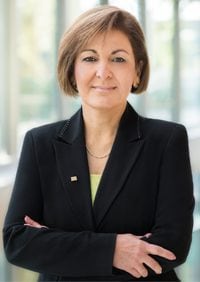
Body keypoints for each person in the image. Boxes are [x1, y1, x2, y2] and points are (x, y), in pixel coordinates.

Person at [3, 5, 194, 282]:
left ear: (137, 71)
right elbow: (17, 241)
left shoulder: (166, 140)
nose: (103, 72)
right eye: (90, 58)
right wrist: (114, 250)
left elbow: (171, 246)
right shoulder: (40, 142)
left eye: (118, 59)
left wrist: (54, 242)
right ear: (72, 70)